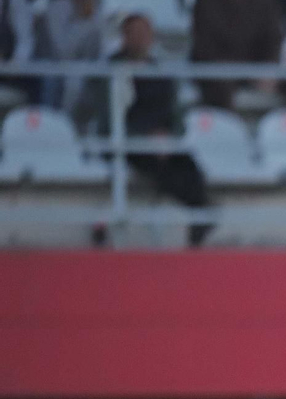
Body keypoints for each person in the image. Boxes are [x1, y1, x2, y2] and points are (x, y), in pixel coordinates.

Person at [76, 13, 214, 248]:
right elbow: (107, 118)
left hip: (161, 141)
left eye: (145, 33)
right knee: (160, 167)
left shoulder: (160, 73)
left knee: (188, 164)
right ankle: (199, 214)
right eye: (135, 33)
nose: (141, 38)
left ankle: (202, 216)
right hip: (124, 141)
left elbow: (176, 115)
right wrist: (145, 136)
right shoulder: (108, 72)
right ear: (124, 37)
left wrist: (169, 137)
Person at [191, 0, 286, 109]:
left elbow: (273, 36)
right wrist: (242, 71)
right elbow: (205, 49)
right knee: (219, 87)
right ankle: (229, 134)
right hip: (220, 70)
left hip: (256, 66)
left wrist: (268, 68)